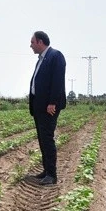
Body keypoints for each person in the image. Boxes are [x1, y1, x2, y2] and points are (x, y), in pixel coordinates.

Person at [27, 31, 66, 185]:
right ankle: (46, 170)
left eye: (32, 42)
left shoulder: (55, 56)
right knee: (43, 139)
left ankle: (52, 174)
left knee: (47, 139)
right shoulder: (41, 59)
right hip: (39, 106)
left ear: (40, 42)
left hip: (48, 107)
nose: (30, 45)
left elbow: (58, 81)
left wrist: (52, 103)